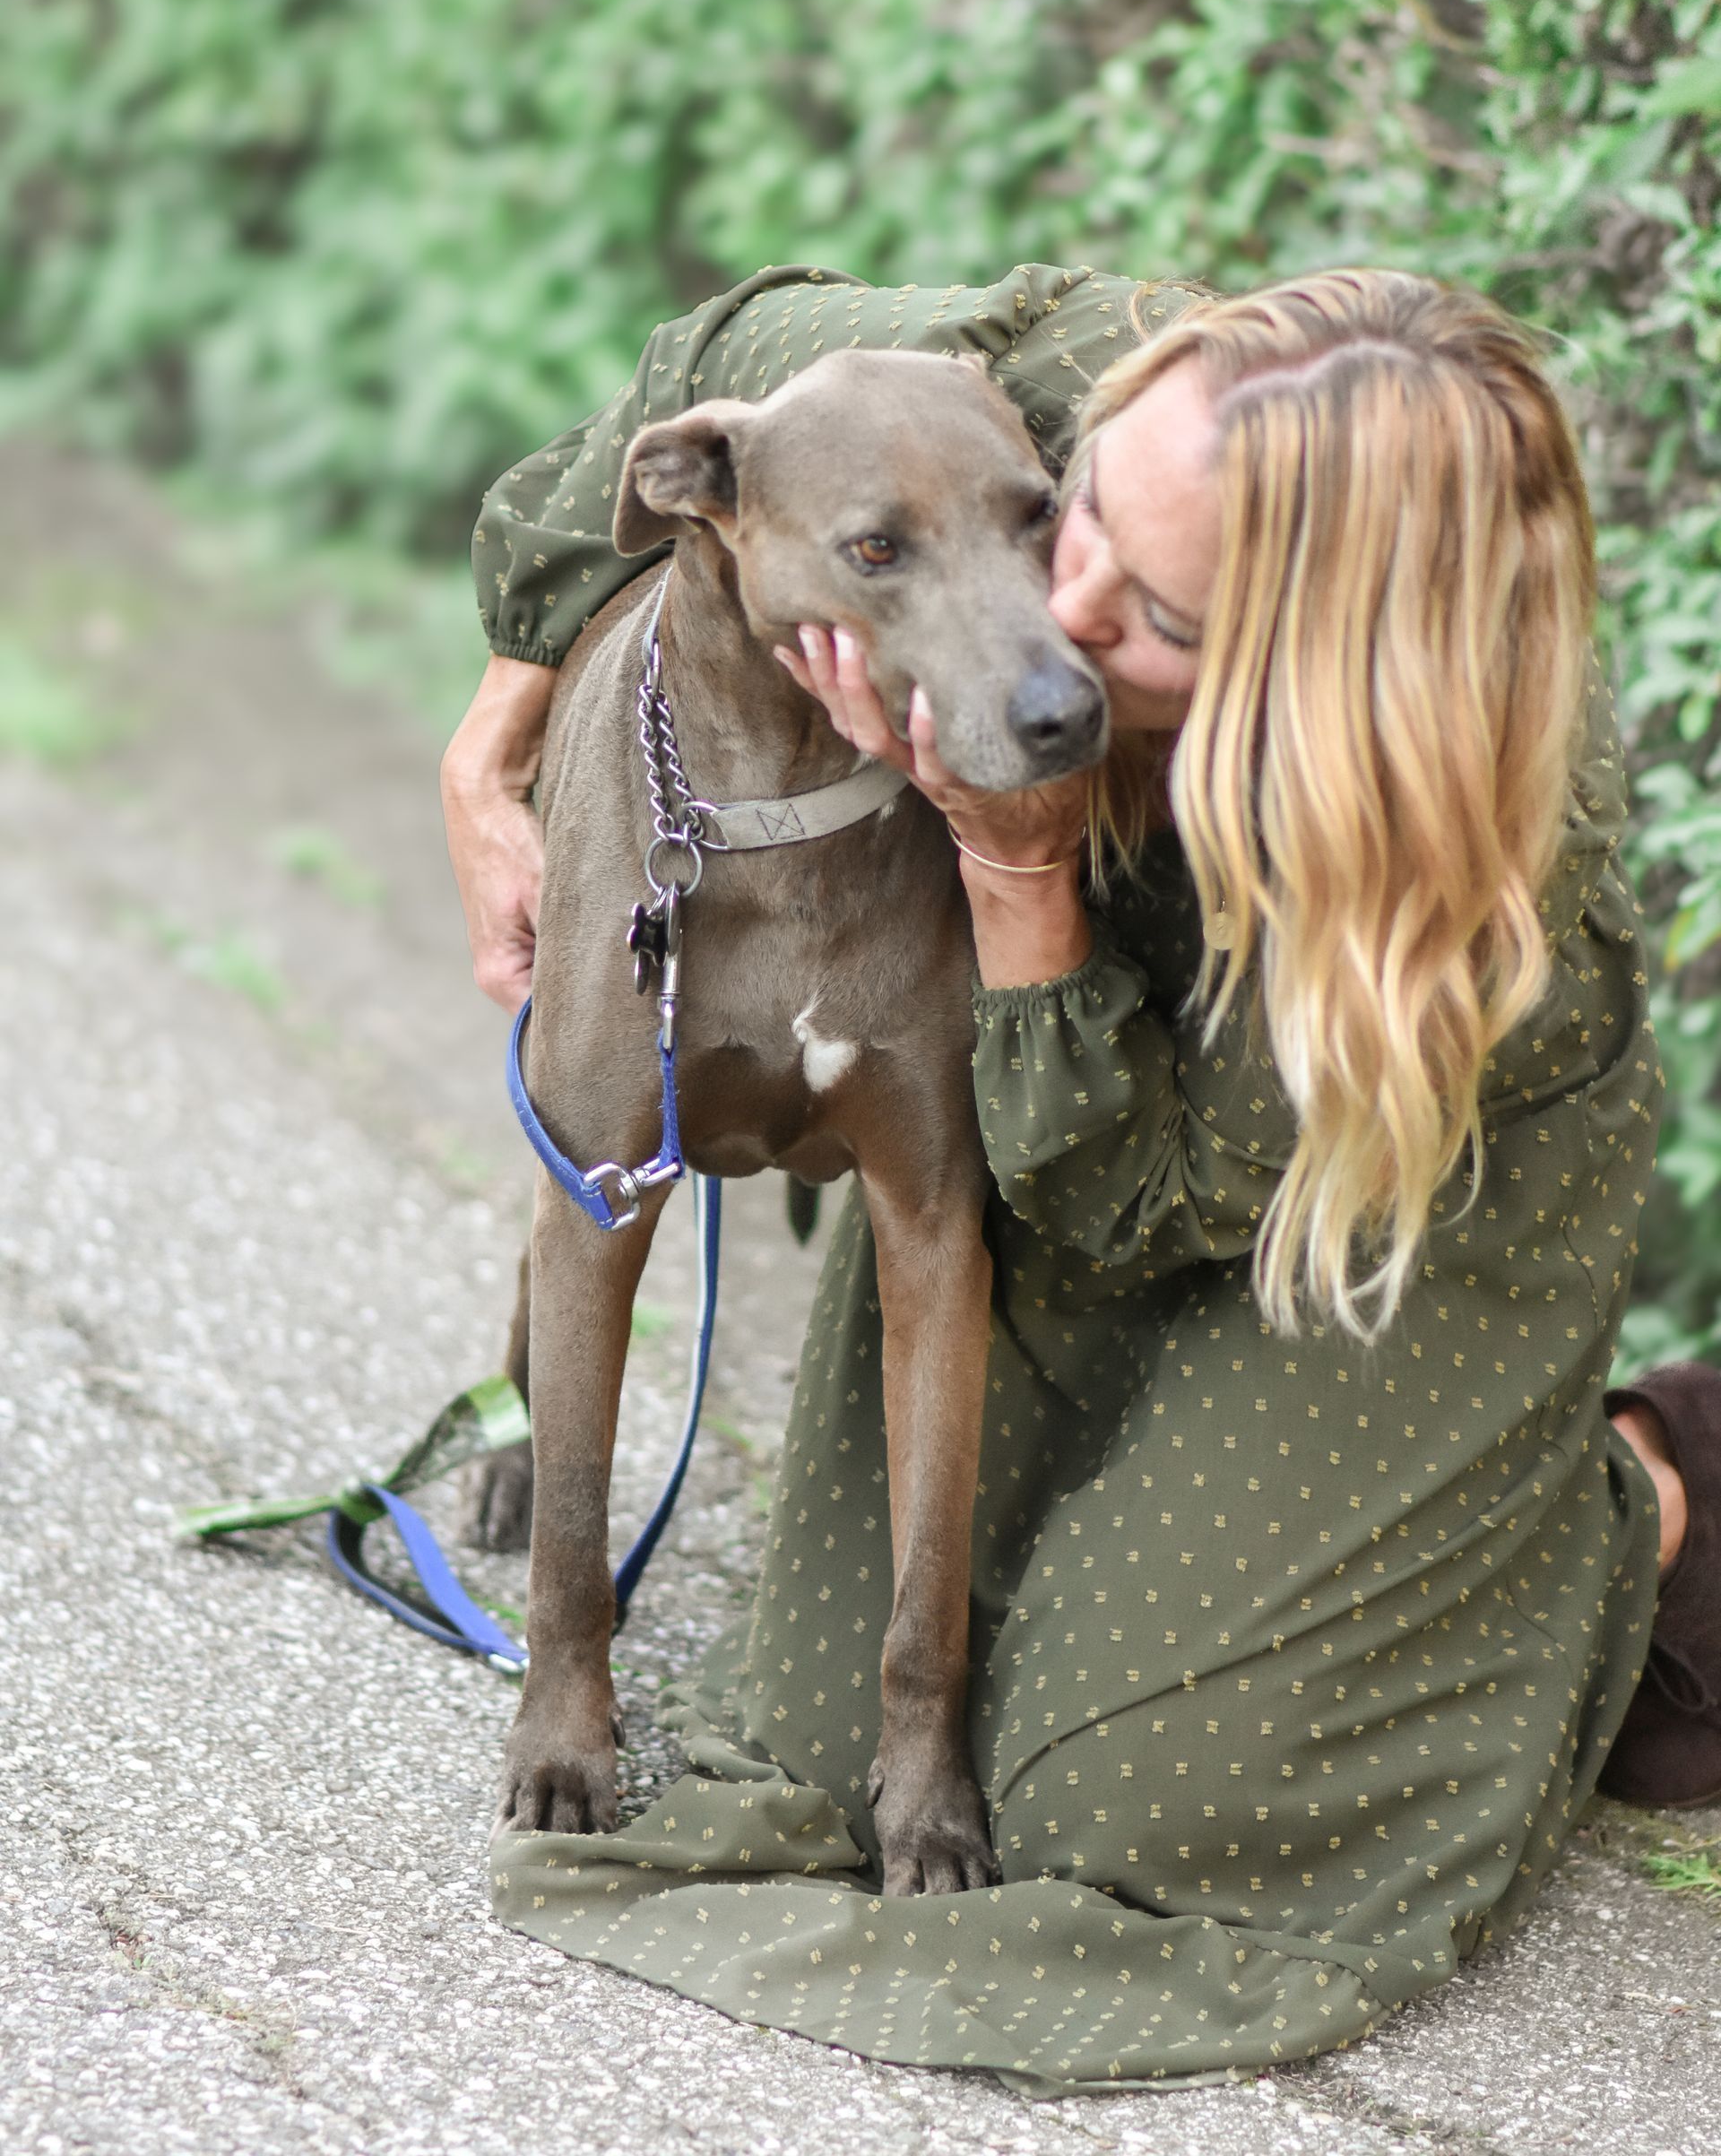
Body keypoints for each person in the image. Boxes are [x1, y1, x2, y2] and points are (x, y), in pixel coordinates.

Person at [445, 261, 1719, 2091]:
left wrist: (1023, 877)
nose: (1061, 618)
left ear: (1321, 675)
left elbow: (1152, 1203)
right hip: (1055, 1101)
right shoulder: (1028, 395)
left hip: (1348, 1202)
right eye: (1083, 511)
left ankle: (1627, 1495)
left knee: (1139, 1809)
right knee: (810, 1741)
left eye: (1166, 620)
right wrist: (495, 739)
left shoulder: (1446, 850)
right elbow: (712, 373)